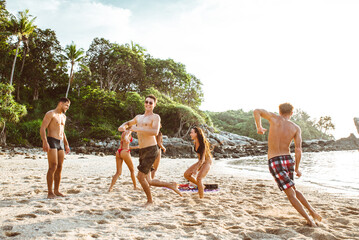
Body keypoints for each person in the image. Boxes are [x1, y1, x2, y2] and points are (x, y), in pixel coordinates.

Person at [253, 103, 322, 227]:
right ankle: (313, 212)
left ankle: (310, 220)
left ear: (279, 112)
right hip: (288, 159)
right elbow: (298, 150)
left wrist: (259, 127)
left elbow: (257, 111)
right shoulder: (295, 128)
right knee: (294, 190)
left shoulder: (274, 118)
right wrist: (297, 168)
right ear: (292, 113)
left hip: (275, 160)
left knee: (291, 194)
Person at [118, 94, 182, 207]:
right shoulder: (138, 117)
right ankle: (171, 185)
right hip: (142, 150)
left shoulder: (155, 117)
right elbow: (128, 123)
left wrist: (137, 128)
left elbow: (155, 132)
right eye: (146, 102)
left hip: (151, 149)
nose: (148, 104)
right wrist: (123, 126)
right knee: (149, 180)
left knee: (140, 177)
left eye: (150, 103)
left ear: (154, 105)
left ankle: (150, 201)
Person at [40, 97, 71, 199]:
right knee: (53, 166)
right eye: (66, 105)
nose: (67, 108)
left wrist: (66, 144)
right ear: (61, 103)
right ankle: (50, 192)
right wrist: (45, 141)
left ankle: (56, 190)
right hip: (51, 140)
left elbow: (63, 132)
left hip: (60, 142)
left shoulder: (64, 117)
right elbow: (43, 128)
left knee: (59, 167)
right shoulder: (50, 114)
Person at [183, 126, 213, 199]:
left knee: (199, 178)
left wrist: (196, 169)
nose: (190, 134)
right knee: (186, 175)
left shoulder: (203, 144)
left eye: (191, 132)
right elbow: (200, 159)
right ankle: (201, 186)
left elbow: (203, 160)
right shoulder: (195, 142)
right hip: (200, 161)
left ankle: (201, 198)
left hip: (207, 162)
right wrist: (197, 167)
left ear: (196, 134)